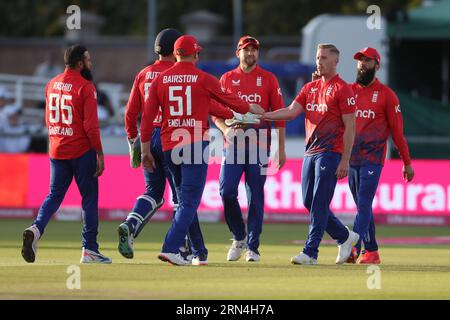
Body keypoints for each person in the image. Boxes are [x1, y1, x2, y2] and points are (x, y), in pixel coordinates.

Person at [141, 35, 264, 266]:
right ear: (195, 54)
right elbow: (228, 99)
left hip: (169, 145)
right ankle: (171, 248)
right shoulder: (203, 79)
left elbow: (147, 117)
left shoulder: (161, 79)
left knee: (182, 201)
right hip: (194, 143)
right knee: (189, 202)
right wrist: (249, 108)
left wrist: (145, 148)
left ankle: (197, 252)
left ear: (175, 53)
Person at [262, 43, 359, 265]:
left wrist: (345, 159)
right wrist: (265, 115)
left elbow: (350, 127)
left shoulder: (343, 89)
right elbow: (290, 111)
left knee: (319, 203)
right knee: (308, 201)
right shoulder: (310, 88)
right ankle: (345, 237)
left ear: (335, 61)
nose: (320, 61)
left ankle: (310, 252)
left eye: (324, 58)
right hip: (310, 152)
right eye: (317, 58)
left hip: (330, 152)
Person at [21, 45, 111, 264]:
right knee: (89, 199)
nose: (91, 63)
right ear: (80, 63)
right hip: (80, 150)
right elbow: (91, 126)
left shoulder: (51, 84)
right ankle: (89, 248)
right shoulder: (86, 87)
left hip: (57, 148)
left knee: (54, 196)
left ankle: (36, 228)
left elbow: (48, 119)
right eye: (88, 60)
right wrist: (99, 152)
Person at [118, 28, 200, 261]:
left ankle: (130, 224)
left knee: (153, 191)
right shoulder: (179, 73)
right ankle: (181, 249)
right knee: (180, 197)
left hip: (146, 137)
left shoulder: (144, 73)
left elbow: (130, 112)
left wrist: (133, 142)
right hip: (172, 137)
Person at [212, 35, 286, 262]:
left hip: (260, 146)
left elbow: (280, 115)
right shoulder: (226, 78)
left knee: (255, 197)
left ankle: (253, 247)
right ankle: (238, 236)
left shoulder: (269, 79)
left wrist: (280, 149)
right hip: (232, 146)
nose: (250, 53)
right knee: (227, 192)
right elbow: (215, 112)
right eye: (246, 50)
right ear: (238, 53)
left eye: (254, 50)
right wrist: (225, 130)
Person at [346, 47, 414, 264]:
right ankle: (372, 251)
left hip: (373, 158)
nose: (362, 64)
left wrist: (407, 162)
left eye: (367, 60)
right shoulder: (347, 92)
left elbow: (397, 133)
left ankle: (352, 248)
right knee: (362, 207)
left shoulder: (387, 95)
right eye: (360, 60)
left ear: (377, 65)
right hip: (351, 159)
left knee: (364, 202)